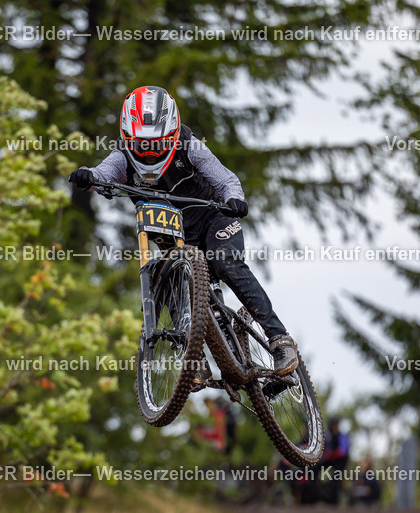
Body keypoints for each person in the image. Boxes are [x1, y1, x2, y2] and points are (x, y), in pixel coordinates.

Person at [69, 85, 298, 376]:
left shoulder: (191, 147)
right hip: (172, 235)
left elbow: (226, 179)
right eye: (142, 145)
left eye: (159, 144)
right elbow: (102, 174)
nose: (150, 154)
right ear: (127, 138)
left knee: (225, 261)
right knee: (168, 278)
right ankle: (193, 360)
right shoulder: (122, 157)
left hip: (214, 220)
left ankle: (279, 339)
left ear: (174, 134)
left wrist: (234, 200)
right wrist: (88, 176)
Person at [320, 416, 350, 505]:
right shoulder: (327, 436)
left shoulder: (343, 436)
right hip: (329, 460)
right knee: (314, 469)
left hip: (340, 462)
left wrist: (331, 454)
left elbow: (343, 451)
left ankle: (333, 502)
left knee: (335, 480)